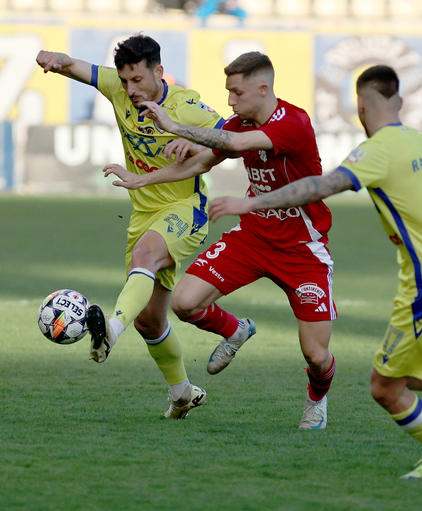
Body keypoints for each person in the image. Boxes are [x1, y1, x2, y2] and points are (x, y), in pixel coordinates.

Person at [208, 65, 422, 479]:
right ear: (400, 102)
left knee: (385, 387)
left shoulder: (377, 150)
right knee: (417, 377)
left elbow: (320, 186)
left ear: (360, 106)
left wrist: (250, 204)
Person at [103, 52, 337, 430]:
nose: (230, 101)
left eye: (236, 92)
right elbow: (200, 162)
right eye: (228, 92)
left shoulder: (293, 123)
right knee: (183, 302)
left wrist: (176, 126)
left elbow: (231, 141)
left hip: (302, 249)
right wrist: (139, 179)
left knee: (316, 354)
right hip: (254, 237)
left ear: (263, 89)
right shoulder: (243, 121)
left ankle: (316, 400)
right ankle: (236, 329)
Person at [35, 34, 226, 419]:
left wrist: (194, 144)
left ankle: (109, 332)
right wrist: (54, 59)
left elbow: (228, 137)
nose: (130, 89)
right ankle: (182, 392)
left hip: (185, 207)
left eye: (138, 80)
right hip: (143, 213)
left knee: (145, 257)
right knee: (150, 320)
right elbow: (78, 67)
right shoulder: (119, 90)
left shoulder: (185, 105)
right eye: (124, 81)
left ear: (158, 71)